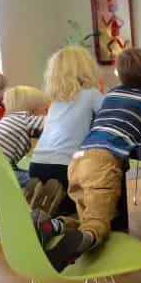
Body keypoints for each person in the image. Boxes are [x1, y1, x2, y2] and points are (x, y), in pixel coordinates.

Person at [34, 48, 141, 272]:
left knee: (85, 214)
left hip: (77, 159)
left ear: (119, 74)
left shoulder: (111, 95)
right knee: (99, 221)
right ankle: (86, 239)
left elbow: (115, 115)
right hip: (102, 162)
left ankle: (53, 225)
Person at [29, 46, 104, 214]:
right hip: (64, 167)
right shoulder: (90, 94)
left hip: (37, 163)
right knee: (73, 210)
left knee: (51, 213)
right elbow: (112, 115)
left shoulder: (56, 101)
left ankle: (38, 211)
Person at [0, 86, 47, 187]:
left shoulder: (9, 119)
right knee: (37, 181)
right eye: (45, 109)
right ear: (33, 109)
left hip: (1, 165)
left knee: (19, 172)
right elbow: (54, 122)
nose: (46, 112)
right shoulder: (23, 118)